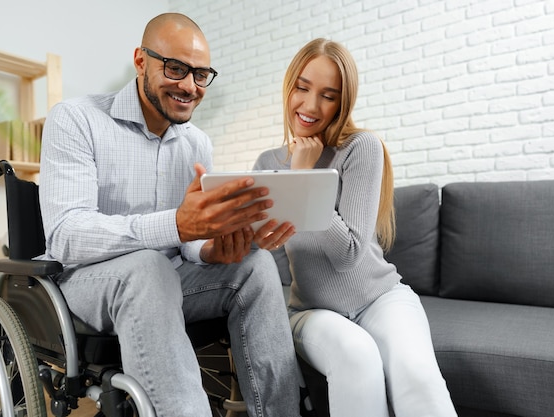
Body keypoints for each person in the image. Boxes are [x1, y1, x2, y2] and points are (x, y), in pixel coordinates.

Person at [38, 13, 301, 417]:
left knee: (256, 264)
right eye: (176, 68)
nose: (189, 86)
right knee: (148, 267)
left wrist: (213, 248)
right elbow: (66, 235)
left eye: (200, 75)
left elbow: (190, 243)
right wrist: (176, 224)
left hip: (167, 279)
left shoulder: (197, 143)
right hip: (87, 282)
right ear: (141, 61)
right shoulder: (77, 119)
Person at [253, 38, 457, 417]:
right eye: (303, 87)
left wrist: (303, 176)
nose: (311, 106)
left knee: (418, 375)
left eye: (328, 96)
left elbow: (348, 254)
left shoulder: (362, 147)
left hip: (382, 298)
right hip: (311, 311)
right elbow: (265, 257)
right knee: (356, 356)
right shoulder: (267, 162)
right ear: (289, 87)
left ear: (343, 102)